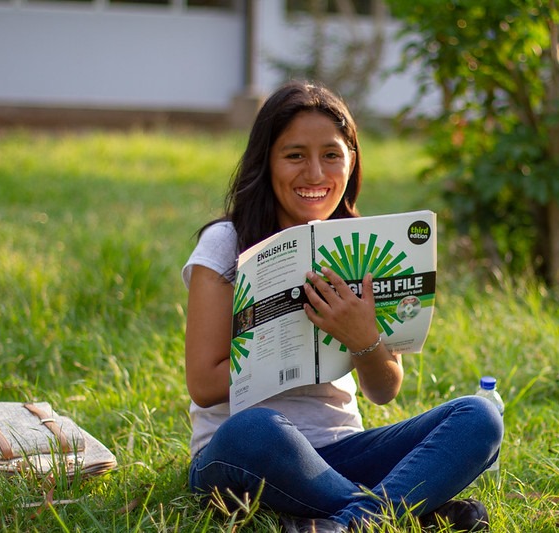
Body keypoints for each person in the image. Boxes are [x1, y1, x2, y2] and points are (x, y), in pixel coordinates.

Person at [182, 81, 503, 532]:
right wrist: (286, 353)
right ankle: (406, 514)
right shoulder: (226, 242)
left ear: (351, 162)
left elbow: (384, 390)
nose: (315, 173)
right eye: (295, 155)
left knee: (480, 416)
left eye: (331, 155)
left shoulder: (362, 247)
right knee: (255, 428)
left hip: (342, 453)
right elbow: (203, 384)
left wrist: (364, 339)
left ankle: (348, 522)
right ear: (266, 161)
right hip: (246, 455)